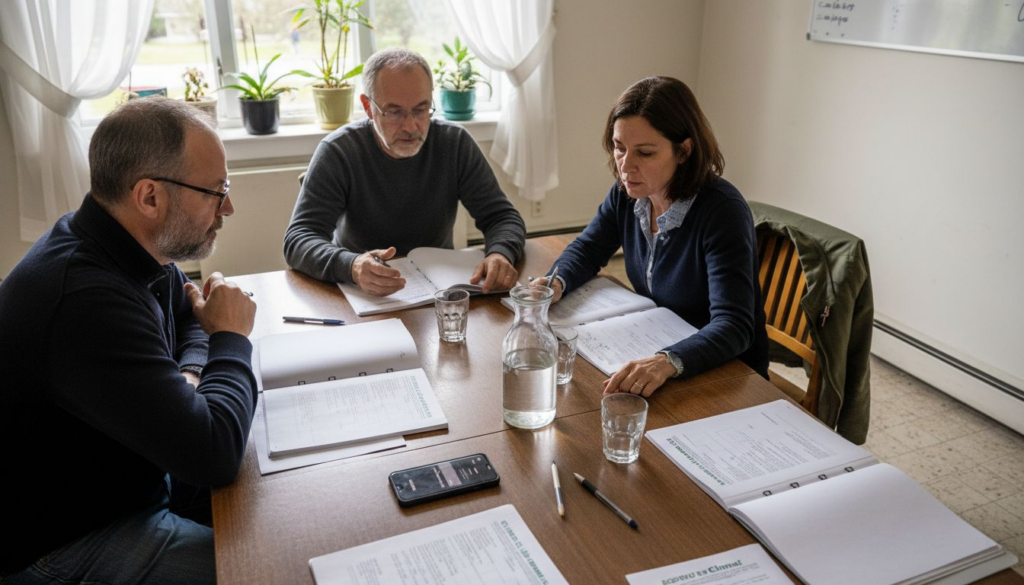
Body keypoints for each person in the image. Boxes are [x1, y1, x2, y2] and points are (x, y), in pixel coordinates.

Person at [0, 98, 258, 584]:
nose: (228, 207)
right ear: (150, 197)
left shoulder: (130, 243)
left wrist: (189, 375)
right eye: (215, 190)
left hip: (133, 479)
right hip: (68, 538)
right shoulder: (82, 297)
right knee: (274, 565)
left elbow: (187, 318)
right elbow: (213, 456)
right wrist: (231, 338)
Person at [540, 76, 769, 398]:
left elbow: (734, 325)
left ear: (684, 151)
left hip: (725, 374)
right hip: (656, 343)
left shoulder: (721, 211)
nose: (626, 166)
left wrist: (666, 361)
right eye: (619, 148)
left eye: (644, 153)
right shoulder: (629, 192)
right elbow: (589, 248)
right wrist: (556, 282)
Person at [283, 47, 526, 296]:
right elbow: (298, 239)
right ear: (368, 107)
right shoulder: (339, 151)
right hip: (363, 294)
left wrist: (499, 253)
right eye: (395, 112)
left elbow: (501, 217)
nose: (411, 126)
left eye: (421, 110)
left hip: (439, 292)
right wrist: (352, 265)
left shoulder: (454, 143)